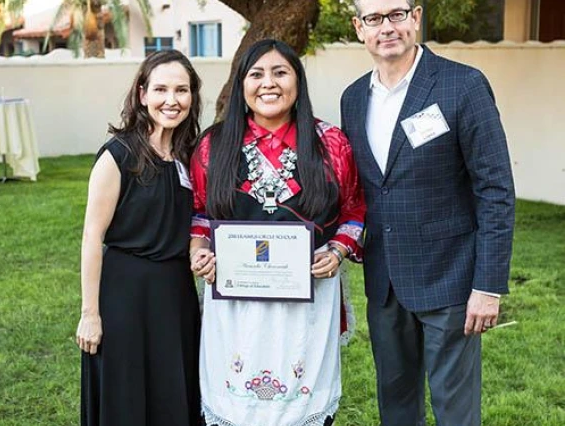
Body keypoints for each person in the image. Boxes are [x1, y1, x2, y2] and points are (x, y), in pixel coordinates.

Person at [340, 1, 516, 425]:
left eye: (397, 14)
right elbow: (361, 190)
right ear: (359, 27)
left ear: (416, 18)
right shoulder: (352, 99)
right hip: (385, 283)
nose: (387, 27)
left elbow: (495, 190)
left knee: (455, 412)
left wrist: (488, 286)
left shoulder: (463, 86)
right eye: (375, 19)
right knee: (396, 407)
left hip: (450, 280)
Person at [189, 39, 365, 426]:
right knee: (234, 405)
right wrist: (198, 251)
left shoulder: (330, 144)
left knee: (300, 408)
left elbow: (354, 210)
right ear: (241, 85)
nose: (268, 83)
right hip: (234, 305)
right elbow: (200, 213)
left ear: (298, 82)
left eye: (280, 72)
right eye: (256, 74)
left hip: (307, 306)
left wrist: (336, 251)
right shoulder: (212, 146)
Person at [77, 50, 202, 426]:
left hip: (175, 296)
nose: (171, 100)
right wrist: (90, 315)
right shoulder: (118, 155)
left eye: (182, 90)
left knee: (174, 393)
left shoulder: (188, 157)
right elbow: (91, 236)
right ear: (143, 94)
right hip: (124, 298)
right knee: (126, 398)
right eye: (161, 89)